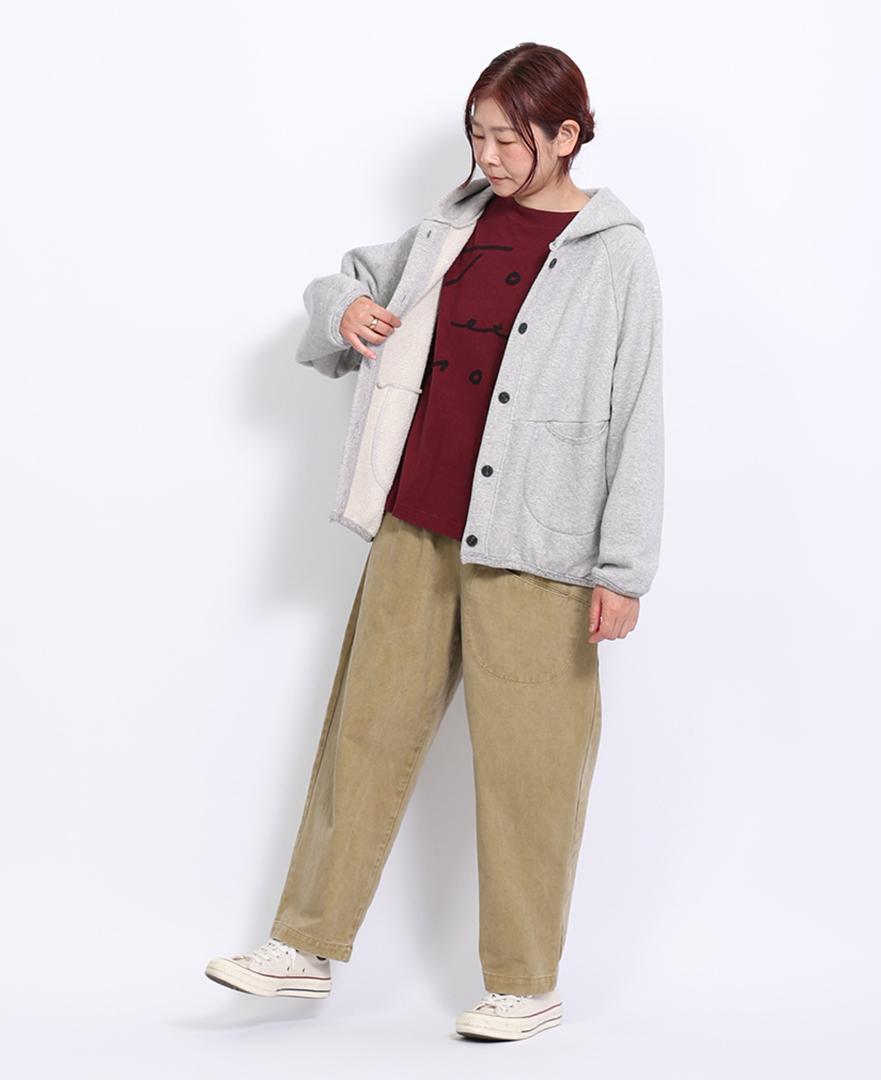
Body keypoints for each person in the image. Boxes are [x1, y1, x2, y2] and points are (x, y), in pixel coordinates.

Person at [205, 41, 664, 1043]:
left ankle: (525, 982)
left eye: (508, 139)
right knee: (364, 737)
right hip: (416, 525)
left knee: (531, 770)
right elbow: (343, 283)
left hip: (539, 550)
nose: (487, 156)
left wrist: (625, 569)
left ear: (566, 136)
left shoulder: (615, 253)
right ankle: (304, 947)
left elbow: (638, 412)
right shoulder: (452, 224)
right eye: (477, 135)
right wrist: (348, 310)